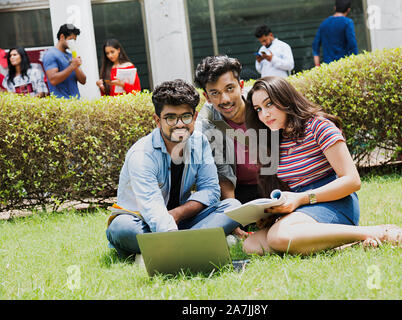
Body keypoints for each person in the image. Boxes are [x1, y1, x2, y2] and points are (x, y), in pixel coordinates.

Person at [242, 76, 402, 256]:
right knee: (251, 245)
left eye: (269, 104)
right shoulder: (274, 140)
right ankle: (345, 246)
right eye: (258, 109)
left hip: (334, 201)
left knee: (278, 237)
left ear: (286, 99)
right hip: (301, 209)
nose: (264, 115)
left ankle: (378, 232)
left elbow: (352, 181)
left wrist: (301, 198)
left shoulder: (318, 126)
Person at [106, 79, 241, 259]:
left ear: (195, 117)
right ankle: (200, 243)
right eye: (170, 117)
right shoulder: (142, 154)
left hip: (182, 220)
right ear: (157, 120)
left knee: (232, 206)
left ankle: (155, 251)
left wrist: (177, 214)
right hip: (142, 221)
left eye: (186, 116)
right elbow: (152, 207)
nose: (179, 124)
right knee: (121, 228)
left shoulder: (200, 142)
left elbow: (210, 190)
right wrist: (169, 225)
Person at [194, 55, 262, 206]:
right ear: (207, 97)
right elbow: (223, 173)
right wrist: (234, 215)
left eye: (230, 88)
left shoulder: (262, 102)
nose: (224, 99)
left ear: (241, 85)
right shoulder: (206, 124)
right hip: (240, 189)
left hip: (277, 179)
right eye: (215, 93)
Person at [43, 23, 86, 99]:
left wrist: (76, 66)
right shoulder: (50, 54)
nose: (72, 43)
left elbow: (83, 81)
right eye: (71, 40)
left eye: (74, 40)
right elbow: (53, 80)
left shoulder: (70, 55)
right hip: (61, 104)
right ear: (62, 37)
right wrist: (72, 66)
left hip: (76, 103)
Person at [312, 0, 358, 67]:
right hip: (344, 66)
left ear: (335, 8)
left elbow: (315, 46)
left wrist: (317, 66)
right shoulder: (347, 22)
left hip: (328, 68)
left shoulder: (324, 23)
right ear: (348, 10)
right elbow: (353, 46)